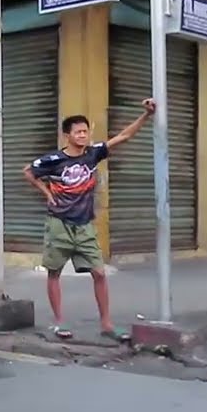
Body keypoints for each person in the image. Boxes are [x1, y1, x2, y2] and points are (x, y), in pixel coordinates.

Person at [23, 98, 155, 342]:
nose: (83, 135)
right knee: (54, 272)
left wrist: (146, 116)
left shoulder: (93, 154)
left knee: (99, 273)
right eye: (78, 132)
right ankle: (59, 322)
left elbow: (124, 137)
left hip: (84, 225)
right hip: (58, 223)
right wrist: (47, 193)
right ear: (67, 135)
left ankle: (106, 324)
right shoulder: (53, 160)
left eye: (86, 131)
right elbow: (28, 172)